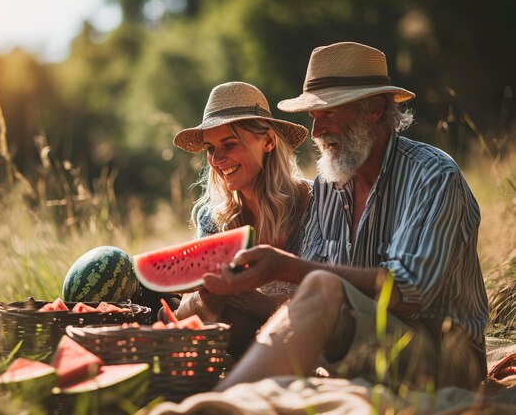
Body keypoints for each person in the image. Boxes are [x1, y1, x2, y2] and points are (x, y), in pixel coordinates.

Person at [204, 42, 489, 391]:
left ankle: (218, 404)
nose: (316, 131)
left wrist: (284, 266)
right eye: (313, 117)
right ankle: (231, 395)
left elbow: (409, 291)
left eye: (328, 114)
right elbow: (303, 293)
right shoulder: (328, 185)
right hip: (361, 342)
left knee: (323, 286)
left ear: (373, 110)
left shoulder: (433, 175)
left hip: (445, 357)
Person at [170, 81, 312, 357]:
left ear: (268, 141)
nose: (217, 159)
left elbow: (323, 302)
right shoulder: (213, 218)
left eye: (230, 144)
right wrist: (208, 298)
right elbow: (183, 310)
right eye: (210, 148)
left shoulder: (315, 204)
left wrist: (245, 297)